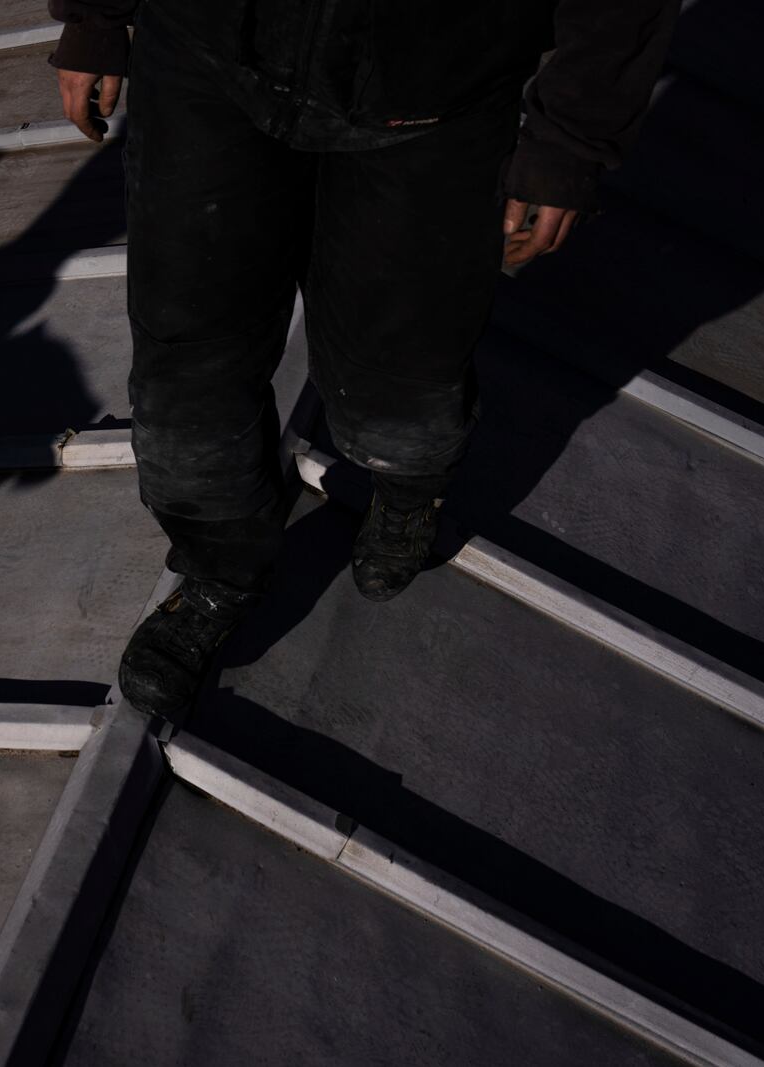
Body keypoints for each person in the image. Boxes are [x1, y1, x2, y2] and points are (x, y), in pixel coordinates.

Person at [47, 0, 679, 718]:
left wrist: (572, 137)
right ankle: (217, 566)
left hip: (438, 94)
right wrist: (95, 14)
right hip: (205, 56)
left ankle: (408, 485)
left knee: (403, 367)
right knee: (189, 360)